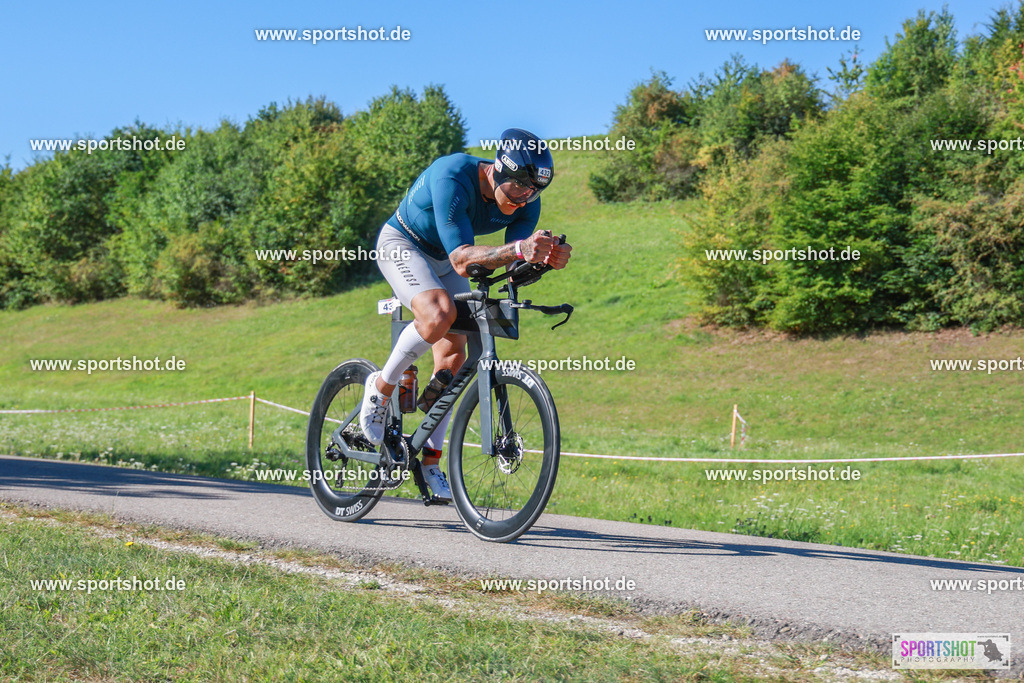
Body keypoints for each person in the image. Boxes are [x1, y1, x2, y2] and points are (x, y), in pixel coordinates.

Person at [360, 128, 572, 501]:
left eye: (534, 192)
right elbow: (463, 259)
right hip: (404, 245)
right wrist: (520, 248)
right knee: (438, 313)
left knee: (455, 360)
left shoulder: (528, 202)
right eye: (520, 189)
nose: (525, 201)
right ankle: (379, 389)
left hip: (447, 260)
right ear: (500, 172)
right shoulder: (453, 175)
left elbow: (508, 263)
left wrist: (543, 261)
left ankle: (429, 459)